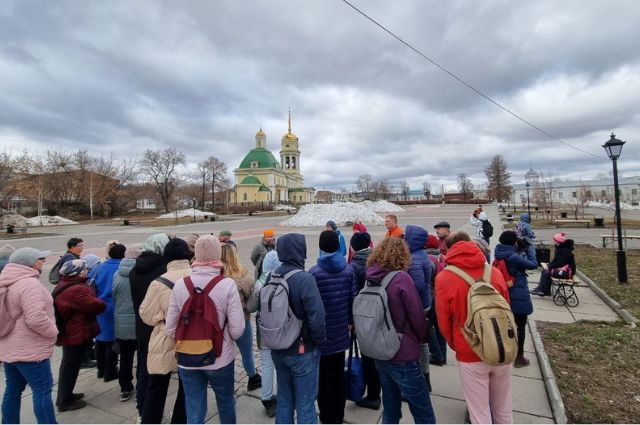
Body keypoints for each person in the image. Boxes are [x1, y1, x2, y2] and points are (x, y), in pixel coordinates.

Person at [165, 235, 245, 424]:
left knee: (194, 407)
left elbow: (170, 329)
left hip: (187, 358)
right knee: (225, 403)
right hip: (220, 359)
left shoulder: (180, 285)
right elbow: (237, 330)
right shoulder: (227, 285)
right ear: (218, 255)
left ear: (196, 256)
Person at [435, 232, 512, 424]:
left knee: (479, 411)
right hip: (502, 346)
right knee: (503, 408)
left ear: (449, 249)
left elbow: (443, 321)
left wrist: (456, 345)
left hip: (469, 348)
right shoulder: (494, 272)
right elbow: (507, 307)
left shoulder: (444, 277)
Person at [365, 237, 435, 424]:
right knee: (423, 411)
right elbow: (416, 315)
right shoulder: (401, 278)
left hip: (380, 351)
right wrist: (422, 338)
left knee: (390, 407)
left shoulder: (370, 277)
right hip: (402, 352)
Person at [269, 233, 326, 424]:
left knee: (284, 399)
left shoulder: (271, 275)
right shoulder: (304, 279)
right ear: (300, 251)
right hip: (303, 350)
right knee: (306, 403)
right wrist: (319, 342)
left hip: (277, 349)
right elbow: (317, 317)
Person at [0, 247, 58, 424]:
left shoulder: (7, 280)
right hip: (30, 351)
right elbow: (35, 318)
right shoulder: (28, 283)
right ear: (30, 263)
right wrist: (53, 333)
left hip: (9, 347)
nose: (43, 262)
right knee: (42, 390)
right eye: (41, 259)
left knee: (13, 389)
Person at [139, 238, 192, 424]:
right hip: (192, 337)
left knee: (157, 386)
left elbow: (146, 314)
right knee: (187, 387)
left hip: (164, 337)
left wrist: (163, 316)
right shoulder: (197, 276)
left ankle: (150, 420)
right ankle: (180, 420)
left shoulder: (159, 282)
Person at [309, 230, 356, 424]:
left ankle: (326, 415)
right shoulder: (348, 270)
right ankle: (339, 415)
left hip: (321, 336)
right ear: (338, 247)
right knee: (338, 376)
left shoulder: (313, 273)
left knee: (322, 378)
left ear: (320, 247)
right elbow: (353, 300)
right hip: (340, 333)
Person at [54, 259, 106, 412]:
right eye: (84, 269)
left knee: (70, 365)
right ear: (76, 272)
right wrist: (101, 302)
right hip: (75, 332)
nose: (86, 271)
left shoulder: (65, 284)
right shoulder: (76, 290)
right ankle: (64, 400)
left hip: (73, 331)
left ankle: (67, 394)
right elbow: (95, 305)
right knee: (70, 366)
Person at [130, 233, 170, 418]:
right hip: (158, 327)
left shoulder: (134, 269)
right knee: (158, 376)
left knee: (143, 369)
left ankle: (140, 408)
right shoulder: (163, 271)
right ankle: (150, 414)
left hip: (141, 325)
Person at [221, 243, 262, 392]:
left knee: (224, 354)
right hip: (241, 320)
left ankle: (226, 383)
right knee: (246, 353)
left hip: (221, 322)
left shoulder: (216, 275)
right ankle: (253, 377)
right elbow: (252, 291)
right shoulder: (241, 275)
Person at [494, 231, 538, 367]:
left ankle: (504, 353)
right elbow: (533, 264)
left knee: (506, 325)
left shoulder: (500, 252)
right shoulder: (513, 256)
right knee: (520, 327)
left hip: (505, 294)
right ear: (513, 242)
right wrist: (530, 248)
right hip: (517, 294)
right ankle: (519, 358)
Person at [246, 250, 282, 417]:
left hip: (264, 330)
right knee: (281, 365)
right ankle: (282, 395)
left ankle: (267, 397)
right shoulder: (285, 279)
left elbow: (251, 307)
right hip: (282, 331)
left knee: (267, 365)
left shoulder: (260, 282)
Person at [349, 231, 381, 410]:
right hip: (378, 311)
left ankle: (373, 395)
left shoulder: (355, 266)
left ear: (353, 247)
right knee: (375, 355)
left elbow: (353, 293)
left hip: (362, 316)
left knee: (367, 356)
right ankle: (377, 389)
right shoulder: (377, 259)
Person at [403, 224, 433, 391]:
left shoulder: (414, 260)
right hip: (424, 304)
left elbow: (418, 285)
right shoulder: (421, 255)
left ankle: (419, 380)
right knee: (421, 342)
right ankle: (424, 377)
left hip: (418, 307)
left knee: (417, 343)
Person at [112, 243, 143, 402]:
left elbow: (114, 294)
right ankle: (141, 386)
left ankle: (125, 387)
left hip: (121, 321)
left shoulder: (117, 273)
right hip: (138, 321)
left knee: (125, 357)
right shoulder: (140, 273)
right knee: (142, 356)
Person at [92, 243, 125, 382]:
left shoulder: (99, 267)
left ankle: (100, 369)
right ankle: (110, 371)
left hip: (99, 306)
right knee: (113, 341)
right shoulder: (121, 268)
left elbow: (91, 281)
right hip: (115, 307)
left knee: (100, 339)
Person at [531, 232, 576, 297]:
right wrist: (549, 265)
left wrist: (549, 267)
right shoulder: (560, 248)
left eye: (555, 241)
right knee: (544, 271)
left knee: (547, 273)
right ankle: (542, 290)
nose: (554, 242)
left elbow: (560, 263)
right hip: (563, 269)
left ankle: (543, 290)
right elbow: (556, 260)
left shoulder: (565, 250)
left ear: (559, 241)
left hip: (568, 272)